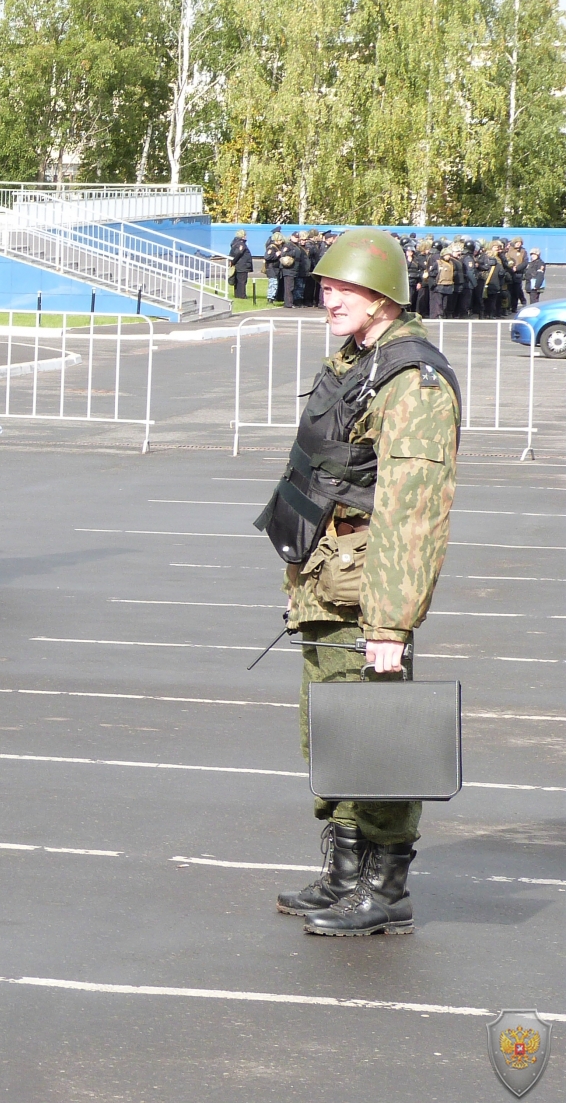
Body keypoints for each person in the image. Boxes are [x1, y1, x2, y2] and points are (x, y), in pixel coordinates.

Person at [255, 228, 460, 939]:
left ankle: (386, 884)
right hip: (324, 579)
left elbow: (413, 506)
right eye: (325, 286)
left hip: (368, 587)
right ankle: (345, 870)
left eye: (343, 288)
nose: (327, 297)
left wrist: (390, 623)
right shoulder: (355, 363)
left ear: (384, 296)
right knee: (333, 731)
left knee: (379, 736)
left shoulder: (413, 381)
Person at [229, 230, 252, 300]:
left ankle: (237, 294)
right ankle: (242, 295)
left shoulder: (235, 243)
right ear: (243, 236)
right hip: (242, 265)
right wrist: (233, 261)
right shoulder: (241, 244)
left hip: (239, 264)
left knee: (238, 281)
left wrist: (232, 262)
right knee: (242, 281)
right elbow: (238, 253)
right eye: (245, 235)